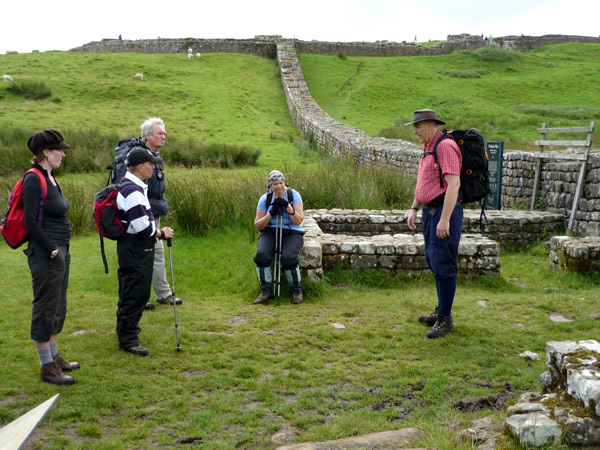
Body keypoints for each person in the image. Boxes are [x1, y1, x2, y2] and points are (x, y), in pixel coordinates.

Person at [23, 129, 78, 385]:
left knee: (58, 306)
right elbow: (30, 221)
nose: (63, 154)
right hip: (47, 254)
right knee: (45, 307)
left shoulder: (50, 176)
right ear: (45, 152)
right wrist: (51, 249)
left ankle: (54, 357)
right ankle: (47, 367)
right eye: (59, 150)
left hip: (60, 251)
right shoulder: (34, 179)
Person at [406, 110, 463, 339]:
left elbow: (453, 183)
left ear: (429, 125)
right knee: (434, 261)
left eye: (418, 127)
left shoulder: (445, 146)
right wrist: (414, 208)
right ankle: (441, 310)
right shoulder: (428, 148)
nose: (415, 131)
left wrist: (445, 219)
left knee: (444, 264)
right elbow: (425, 182)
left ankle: (445, 319)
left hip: (442, 211)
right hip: (430, 212)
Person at [114, 118, 182, 309]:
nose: (164, 137)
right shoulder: (136, 157)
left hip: (152, 211)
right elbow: (129, 187)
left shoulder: (153, 155)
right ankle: (142, 297)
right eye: (160, 133)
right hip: (139, 213)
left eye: (165, 134)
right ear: (148, 136)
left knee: (155, 253)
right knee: (142, 256)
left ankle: (160, 293)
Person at [115, 147, 174, 356]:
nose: (153, 167)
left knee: (129, 289)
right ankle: (129, 339)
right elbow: (142, 227)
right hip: (136, 247)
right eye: (151, 164)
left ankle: (125, 333)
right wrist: (161, 233)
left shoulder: (132, 186)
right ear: (141, 167)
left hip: (131, 246)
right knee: (136, 292)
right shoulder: (133, 190)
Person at [253, 170, 305, 305]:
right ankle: (265, 291)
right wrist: (271, 213)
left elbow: (298, 221)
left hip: (292, 232)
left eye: (281, 183)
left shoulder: (294, 196)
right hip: (270, 231)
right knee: (262, 255)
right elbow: (258, 225)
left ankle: (296, 290)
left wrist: (288, 207)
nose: (279, 186)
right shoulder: (265, 199)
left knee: (288, 257)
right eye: (275, 184)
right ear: (271, 186)